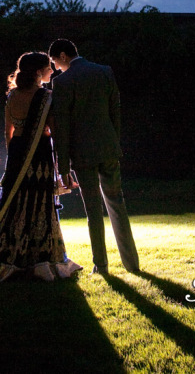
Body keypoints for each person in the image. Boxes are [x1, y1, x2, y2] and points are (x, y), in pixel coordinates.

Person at [0, 52, 83, 281]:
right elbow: (53, 130)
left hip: (16, 154)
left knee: (14, 202)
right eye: (48, 68)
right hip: (39, 154)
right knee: (39, 203)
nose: (52, 71)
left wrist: (15, 154)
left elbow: (8, 131)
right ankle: (40, 258)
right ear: (38, 73)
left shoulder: (12, 96)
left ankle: (6, 255)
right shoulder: (45, 97)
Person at [48, 39, 140, 275]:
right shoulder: (104, 72)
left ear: (63, 55)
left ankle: (101, 265)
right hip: (108, 147)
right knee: (117, 204)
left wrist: (63, 164)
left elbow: (62, 126)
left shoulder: (63, 82)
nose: (55, 67)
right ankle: (132, 263)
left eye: (55, 61)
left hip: (82, 153)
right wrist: (113, 141)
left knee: (93, 211)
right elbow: (115, 111)